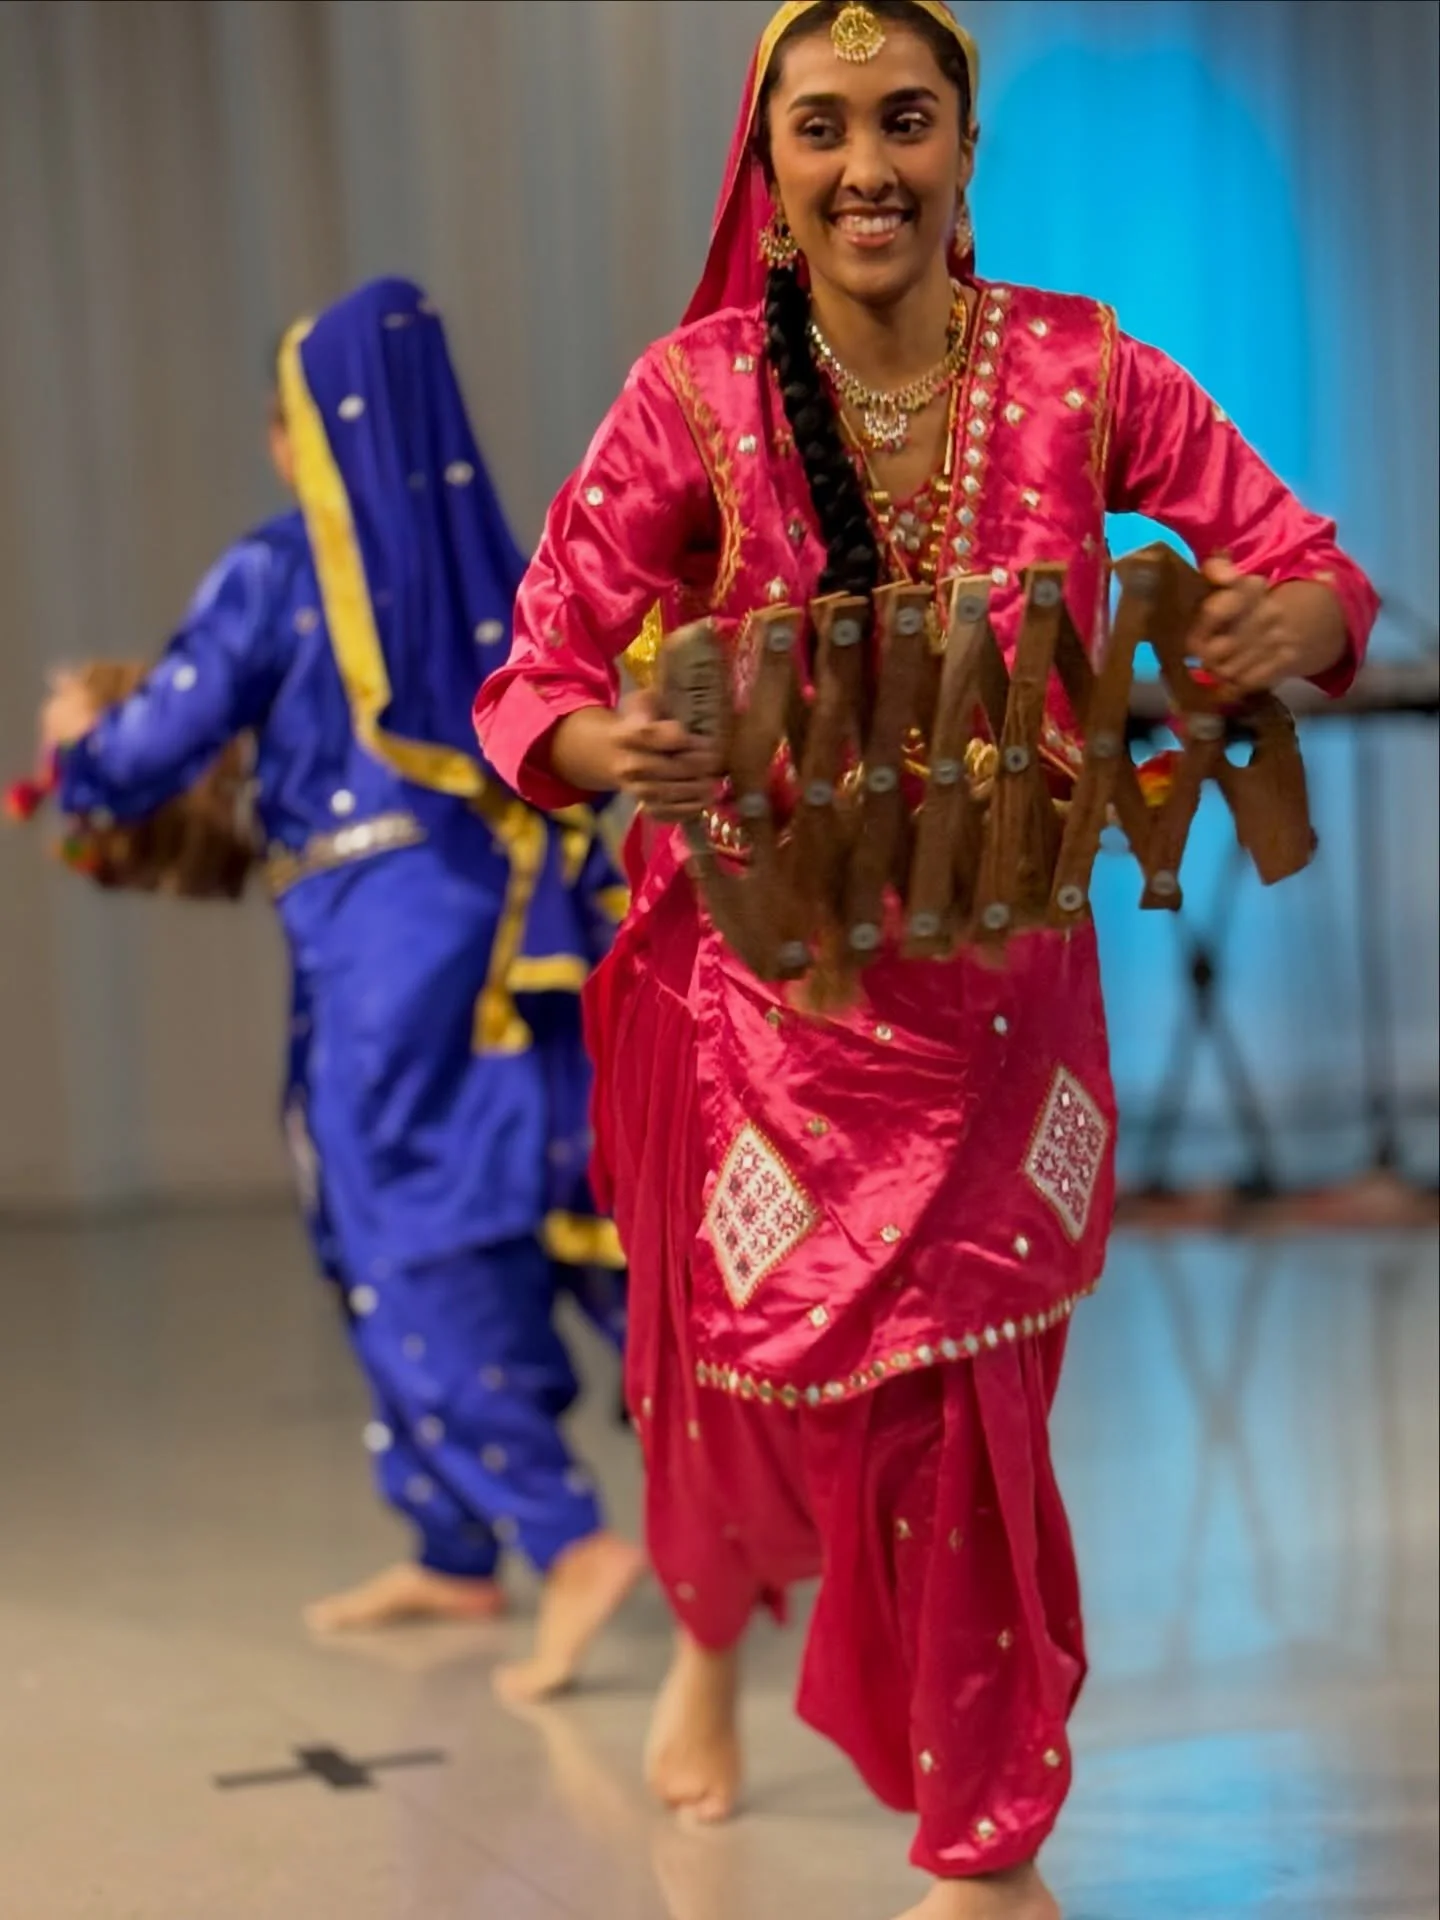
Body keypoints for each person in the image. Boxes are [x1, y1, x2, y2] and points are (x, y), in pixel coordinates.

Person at [474, 4, 1378, 1914]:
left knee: (967, 1422)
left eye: (905, 120)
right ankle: (711, 1630)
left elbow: (1298, 558)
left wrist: (1291, 621)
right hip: (776, 1007)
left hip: (1006, 1004)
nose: (867, 165)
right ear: (770, 163)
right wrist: (602, 743)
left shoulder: (1081, 370)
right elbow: (540, 658)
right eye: (823, 128)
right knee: (746, 1405)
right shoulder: (694, 395)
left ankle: (986, 1853)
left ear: (967, 149)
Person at [37, 277, 645, 1701]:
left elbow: (148, 749)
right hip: (517, 926)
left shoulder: (279, 566)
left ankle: (565, 1541)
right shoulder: (500, 571)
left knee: (405, 1222)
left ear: (291, 432)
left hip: (388, 945)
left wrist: (74, 745)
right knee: (520, 1188)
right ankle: (454, 1546)